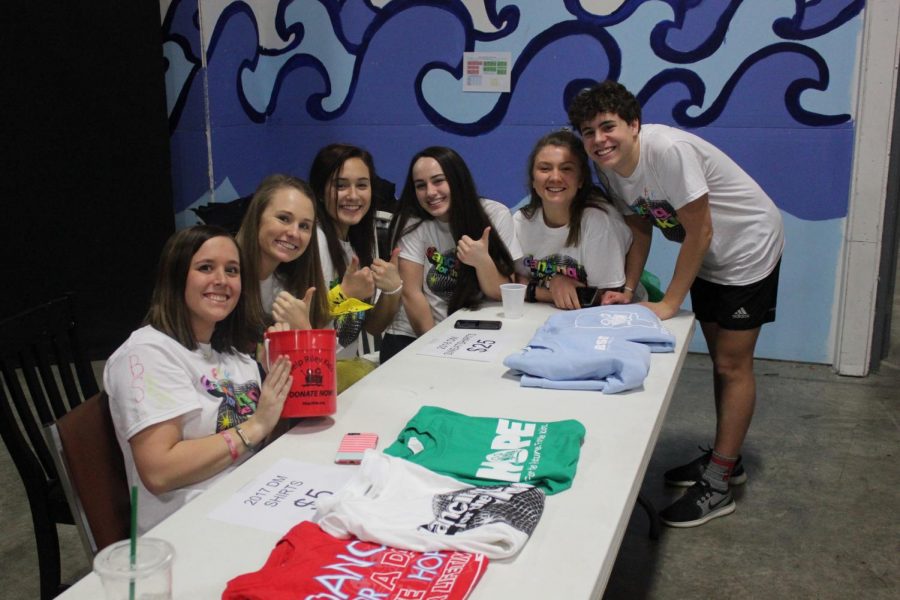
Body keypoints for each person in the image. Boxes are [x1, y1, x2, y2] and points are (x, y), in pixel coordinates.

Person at [568, 80, 785, 528]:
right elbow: (642, 228)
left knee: (732, 364)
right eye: (587, 132)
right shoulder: (608, 168)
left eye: (607, 127)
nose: (598, 140)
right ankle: (728, 457)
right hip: (707, 253)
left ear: (634, 124)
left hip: (746, 247)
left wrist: (669, 301)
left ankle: (720, 482)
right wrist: (628, 287)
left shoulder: (667, 151)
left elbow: (700, 231)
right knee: (719, 362)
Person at [104, 225, 293, 533]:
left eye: (232, 270)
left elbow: (269, 432)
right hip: (191, 528)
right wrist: (256, 425)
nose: (221, 280)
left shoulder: (233, 353)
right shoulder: (146, 354)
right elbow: (160, 471)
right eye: (206, 267)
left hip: (254, 498)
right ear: (176, 277)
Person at [381, 146, 522, 362]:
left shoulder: (494, 214)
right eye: (420, 185)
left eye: (438, 181)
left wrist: (482, 261)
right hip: (413, 337)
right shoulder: (411, 223)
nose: (430, 192)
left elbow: (502, 292)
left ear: (458, 180)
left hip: (473, 335)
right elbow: (412, 294)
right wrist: (436, 352)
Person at [515, 129, 643, 309]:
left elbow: (606, 298)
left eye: (566, 168)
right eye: (545, 168)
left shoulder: (598, 222)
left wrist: (545, 287)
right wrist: (554, 285)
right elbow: (509, 281)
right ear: (533, 180)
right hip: (548, 313)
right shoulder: (521, 221)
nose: (555, 177)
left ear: (581, 179)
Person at [308, 144, 403, 388]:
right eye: (340, 185)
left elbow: (374, 326)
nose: (353, 195)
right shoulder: (311, 242)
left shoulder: (360, 241)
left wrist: (393, 289)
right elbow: (302, 324)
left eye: (362, 185)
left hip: (342, 371)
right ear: (320, 191)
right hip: (310, 378)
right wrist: (344, 295)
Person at [235, 174, 330, 333]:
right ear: (257, 215)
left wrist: (302, 329)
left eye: (304, 226)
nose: (294, 233)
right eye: (284, 218)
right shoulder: (226, 279)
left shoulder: (287, 289)